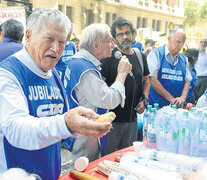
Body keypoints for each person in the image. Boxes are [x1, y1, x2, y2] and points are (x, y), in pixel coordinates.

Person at [0, 8, 112, 180]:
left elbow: (58, 123)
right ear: (28, 36)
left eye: (62, 42)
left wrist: (82, 127)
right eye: (49, 39)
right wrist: (67, 123)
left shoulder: (53, 74)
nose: (56, 48)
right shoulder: (7, 74)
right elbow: (16, 130)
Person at [64, 23, 132, 169]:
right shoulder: (84, 68)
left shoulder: (80, 62)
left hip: (83, 128)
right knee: (83, 169)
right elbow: (108, 100)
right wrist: (122, 74)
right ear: (95, 45)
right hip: (84, 133)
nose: (113, 45)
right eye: (109, 41)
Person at [101, 17, 150, 154]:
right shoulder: (109, 56)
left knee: (127, 157)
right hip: (111, 122)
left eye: (128, 33)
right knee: (106, 158)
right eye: (120, 34)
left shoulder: (140, 56)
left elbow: (146, 80)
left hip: (132, 121)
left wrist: (144, 99)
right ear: (114, 39)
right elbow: (101, 86)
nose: (125, 37)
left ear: (133, 34)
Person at [147, 28, 191, 108]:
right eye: (178, 42)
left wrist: (182, 98)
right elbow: (152, 79)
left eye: (183, 43)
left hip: (176, 107)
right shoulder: (156, 54)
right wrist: (171, 99)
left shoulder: (184, 59)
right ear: (169, 38)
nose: (180, 46)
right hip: (157, 107)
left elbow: (187, 81)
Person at [193, 37, 207, 102]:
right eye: (201, 42)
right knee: (192, 96)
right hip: (193, 77)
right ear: (198, 43)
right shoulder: (194, 53)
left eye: (205, 42)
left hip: (203, 78)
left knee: (200, 98)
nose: (203, 44)